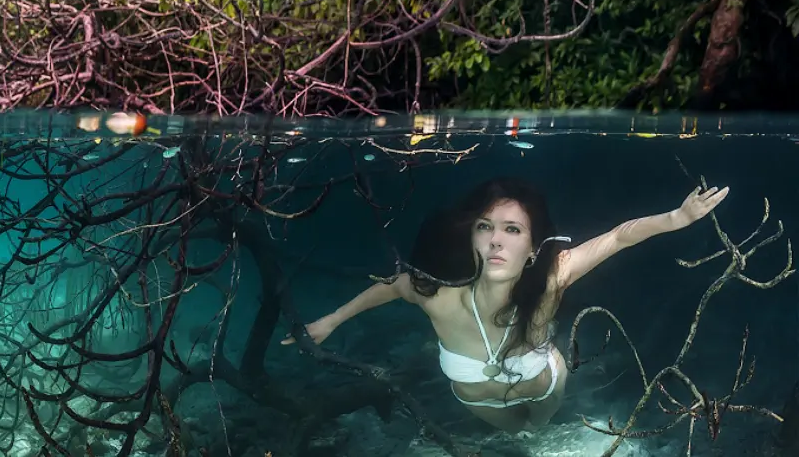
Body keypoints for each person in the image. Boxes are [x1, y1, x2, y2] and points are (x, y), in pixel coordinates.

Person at [282, 177, 729, 434]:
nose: (496, 239)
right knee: (515, 433)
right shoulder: (435, 292)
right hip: (478, 398)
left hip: (543, 382)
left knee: (539, 426)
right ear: (471, 237)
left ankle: (543, 416)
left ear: (534, 247)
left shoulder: (554, 276)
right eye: (485, 227)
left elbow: (617, 236)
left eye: (513, 230)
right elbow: (388, 287)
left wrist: (677, 218)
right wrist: (330, 321)